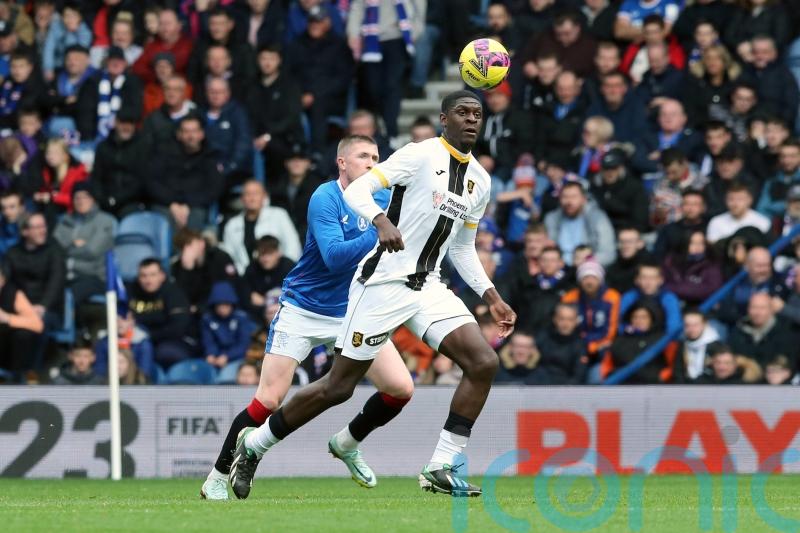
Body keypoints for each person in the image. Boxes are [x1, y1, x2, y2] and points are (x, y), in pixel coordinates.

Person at [229, 92, 516, 498]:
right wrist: (380, 220)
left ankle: (441, 465)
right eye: (462, 113)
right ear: (443, 119)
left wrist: (491, 294)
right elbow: (357, 191)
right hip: (381, 282)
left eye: (477, 114)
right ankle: (255, 445)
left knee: (483, 361)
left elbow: (462, 248)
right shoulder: (419, 154)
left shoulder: (480, 182)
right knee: (338, 387)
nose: (471, 120)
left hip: (428, 285)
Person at [200, 135, 415, 500]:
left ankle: (347, 442)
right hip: (304, 307)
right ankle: (217, 476)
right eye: (363, 156)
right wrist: (382, 231)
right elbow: (333, 256)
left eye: (377, 157)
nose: (372, 162)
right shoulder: (326, 197)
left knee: (400, 389)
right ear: (342, 163)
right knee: (268, 400)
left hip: (353, 311)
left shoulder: (383, 199)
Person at [147, 115, 224, 230]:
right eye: (186, 132)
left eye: (194, 131)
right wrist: (172, 203)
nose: (190, 136)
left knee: (195, 220)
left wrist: (189, 204)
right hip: (166, 204)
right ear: (179, 135)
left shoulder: (210, 155)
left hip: (196, 205)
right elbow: (151, 181)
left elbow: (215, 188)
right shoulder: (165, 152)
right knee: (162, 221)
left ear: (201, 134)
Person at [52, 182, 115, 305]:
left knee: (69, 296)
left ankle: (67, 324)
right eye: (77, 197)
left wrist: (67, 251)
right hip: (64, 274)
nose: (81, 201)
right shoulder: (65, 221)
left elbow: (92, 251)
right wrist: (74, 244)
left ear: (93, 199)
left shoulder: (104, 221)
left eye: (85, 197)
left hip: (94, 277)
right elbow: (54, 247)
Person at [222, 180, 302, 275]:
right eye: (248, 194)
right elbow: (229, 256)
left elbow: (293, 246)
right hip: (247, 279)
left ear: (264, 196)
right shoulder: (232, 225)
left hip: (280, 277)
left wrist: (286, 272)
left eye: (256, 193)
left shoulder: (279, 215)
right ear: (242, 198)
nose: (252, 198)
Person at [128, 258, 194, 368]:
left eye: (153, 275)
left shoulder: (174, 293)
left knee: (164, 353)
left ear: (162, 276)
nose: (148, 280)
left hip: (173, 341)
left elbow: (178, 328)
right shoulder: (132, 290)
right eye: (143, 276)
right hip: (139, 340)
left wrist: (148, 335)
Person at [76, 45, 143, 143]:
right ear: (106, 62)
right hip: (94, 133)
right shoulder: (93, 82)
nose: (116, 63)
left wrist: (116, 119)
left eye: (119, 60)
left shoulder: (133, 82)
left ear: (125, 63)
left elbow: (135, 109)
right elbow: (85, 111)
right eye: (112, 60)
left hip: (123, 133)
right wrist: (88, 135)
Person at [561, 259, 620, 370]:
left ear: (600, 280)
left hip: (601, 348)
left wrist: (592, 348)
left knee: (596, 375)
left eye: (593, 277)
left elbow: (611, 331)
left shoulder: (612, 297)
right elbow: (565, 328)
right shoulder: (569, 298)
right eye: (585, 277)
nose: (589, 282)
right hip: (575, 347)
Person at [601, 299, 677, 383]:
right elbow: (607, 366)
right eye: (635, 317)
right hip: (624, 387)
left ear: (651, 320)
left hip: (654, 387)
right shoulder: (619, 341)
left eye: (644, 317)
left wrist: (661, 377)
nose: (639, 321)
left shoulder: (662, 339)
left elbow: (674, 364)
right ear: (630, 320)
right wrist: (609, 375)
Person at [90, 108, 147, 217]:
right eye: (122, 123)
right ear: (115, 123)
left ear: (135, 125)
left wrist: (116, 199)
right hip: (104, 200)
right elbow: (96, 177)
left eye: (130, 123)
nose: (126, 127)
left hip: (132, 202)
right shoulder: (103, 147)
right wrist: (102, 198)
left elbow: (141, 181)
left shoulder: (142, 146)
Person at [544, 180, 616, 266]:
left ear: (584, 199)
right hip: (558, 268)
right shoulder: (551, 218)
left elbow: (608, 254)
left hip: (589, 268)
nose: (569, 202)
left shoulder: (598, 218)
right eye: (565, 197)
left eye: (574, 197)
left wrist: (586, 262)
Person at [170, 228, 238, 315]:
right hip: (190, 312)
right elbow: (180, 297)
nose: (187, 251)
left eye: (190, 245)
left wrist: (199, 307)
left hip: (218, 309)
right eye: (182, 248)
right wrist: (187, 270)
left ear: (201, 243)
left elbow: (228, 287)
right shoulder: (177, 267)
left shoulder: (219, 258)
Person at [201, 77, 252, 189]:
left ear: (227, 93)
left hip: (232, 171)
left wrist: (228, 166)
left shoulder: (237, 113)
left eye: (220, 92)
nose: (216, 95)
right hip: (205, 168)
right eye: (212, 91)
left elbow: (243, 143)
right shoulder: (199, 113)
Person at [269, 144, 325, 241]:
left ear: (308, 163)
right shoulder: (277, 187)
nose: (296, 163)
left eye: (301, 159)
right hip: (283, 236)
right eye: (292, 159)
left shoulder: (319, 187)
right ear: (286, 163)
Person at [728, 292, 797, 371]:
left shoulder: (786, 332)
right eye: (754, 307)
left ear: (771, 310)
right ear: (748, 309)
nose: (757, 312)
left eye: (762, 308)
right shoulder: (738, 330)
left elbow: (786, 363)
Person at [0, 256, 44, 377]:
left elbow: (37, 324)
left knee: (23, 335)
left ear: (3, 280)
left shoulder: (14, 294)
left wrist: (7, 318)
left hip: (5, 347)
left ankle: (18, 378)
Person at [589, 148, 649, 233]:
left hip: (626, 232)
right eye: (606, 169)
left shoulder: (634, 187)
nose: (610, 173)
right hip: (600, 231)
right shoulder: (595, 186)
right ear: (601, 170)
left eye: (613, 168)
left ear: (620, 168)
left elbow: (640, 220)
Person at [620, 261, 683, 339]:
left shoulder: (668, 298)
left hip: (658, 341)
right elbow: (617, 322)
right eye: (644, 277)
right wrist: (628, 330)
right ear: (637, 280)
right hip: (631, 340)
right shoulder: (629, 297)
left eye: (653, 278)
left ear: (660, 280)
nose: (648, 282)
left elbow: (673, 328)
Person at [527, 303, 587, 385]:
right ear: (555, 319)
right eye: (562, 319)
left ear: (576, 321)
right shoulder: (542, 337)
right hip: (540, 385)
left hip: (566, 389)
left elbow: (579, 375)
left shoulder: (580, 344)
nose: (565, 324)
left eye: (570, 319)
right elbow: (529, 364)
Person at [201, 281, 257, 368]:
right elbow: (208, 341)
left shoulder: (241, 318)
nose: (222, 308)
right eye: (219, 305)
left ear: (232, 304)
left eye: (226, 304)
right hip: (215, 358)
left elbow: (243, 344)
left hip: (238, 358)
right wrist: (211, 354)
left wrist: (227, 356)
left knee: (225, 378)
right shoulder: (208, 319)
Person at [132, 8, 193, 85]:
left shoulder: (188, 45)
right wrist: (156, 76)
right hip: (155, 89)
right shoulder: (152, 45)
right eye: (161, 24)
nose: (164, 28)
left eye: (168, 23)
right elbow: (137, 67)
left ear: (179, 25)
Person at [242, 235, 296, 321]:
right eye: (262, 254)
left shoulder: (290, 267)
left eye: (269, 254)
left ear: (278, 252)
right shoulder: (251, 269)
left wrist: (267, 302)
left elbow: (297, 296)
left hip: (288, 315)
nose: (265, 259)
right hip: (259, 317)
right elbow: (246, 298)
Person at [662, 230, 723, 306]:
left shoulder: (711, 263)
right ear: (684, 243)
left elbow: (712, 289)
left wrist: (678, 289)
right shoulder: (671, 261)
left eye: (701, 243)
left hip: (701, 307)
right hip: (673, 303)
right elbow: (662, 283)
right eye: (692, 243)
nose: (698, 246)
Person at [706, 183, 771, 243]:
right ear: (725, 200)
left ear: (750, 200)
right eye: (731, 199)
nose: (735, 204)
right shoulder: (716, 222)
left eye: (740, 199)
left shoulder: (762, 222)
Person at [672, 309, 720, 383]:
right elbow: (678, 371)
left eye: (695, 325)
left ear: (705, 324)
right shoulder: (682, 345)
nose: (691, 329)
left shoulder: (717, 347)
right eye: (687, 325)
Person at [757, 139, 800, 219]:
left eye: (792, 156)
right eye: (783, 156)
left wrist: (774, 207)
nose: (787, 160)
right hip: (775, 227)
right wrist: (787, 206)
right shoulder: (771, 181)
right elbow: (762, 210)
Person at [606, 227, 654, 294]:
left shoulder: (650, 265)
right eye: (622, 242)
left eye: (630, 242)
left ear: (640, 243)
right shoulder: (613, 269)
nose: (625, 246)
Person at [0, 189, 22, 256]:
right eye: (3, 208)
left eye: (12, 207)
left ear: (22, 207)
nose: (7, 212)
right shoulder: (2, 224)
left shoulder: (34, 227)